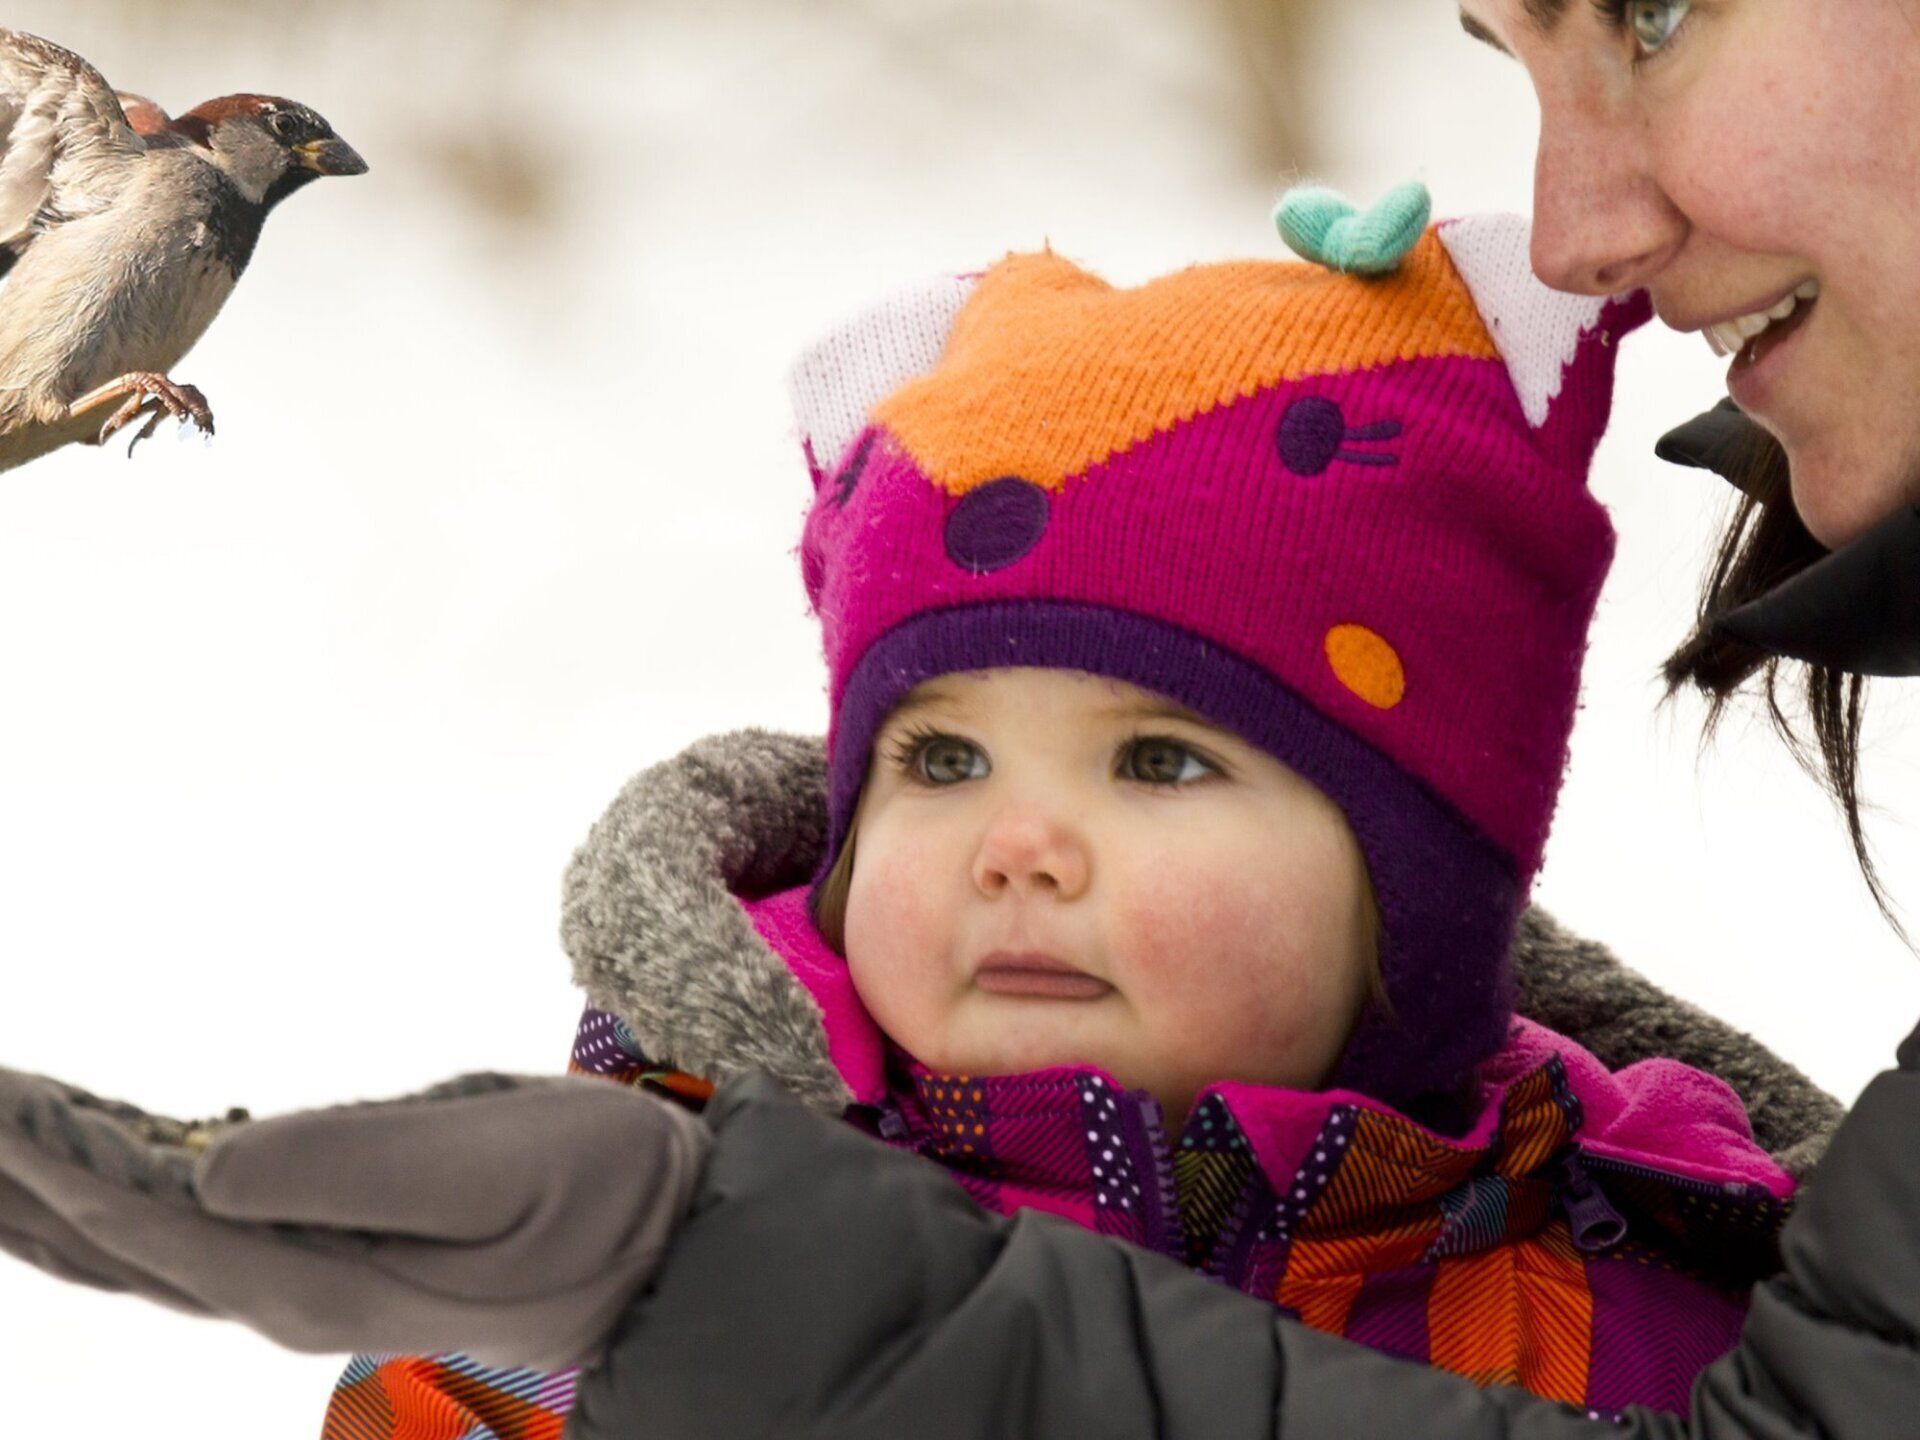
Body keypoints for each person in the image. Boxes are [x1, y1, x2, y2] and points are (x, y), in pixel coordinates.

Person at [311, 196, 1843, 1434]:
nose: (1017, 845)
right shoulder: (664, 1258)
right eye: (943, 762)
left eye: (1159, 763)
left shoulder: (1646, 1309)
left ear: (1420, 893)